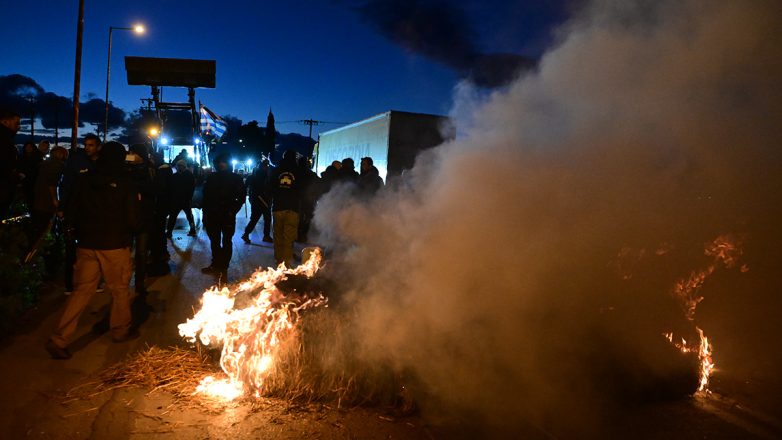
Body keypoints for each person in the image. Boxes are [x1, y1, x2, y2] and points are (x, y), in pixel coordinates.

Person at [45, 141, 141, 359]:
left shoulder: (84, 178)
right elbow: (133, 219)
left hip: (87, 243)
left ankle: (59, 338)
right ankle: (120, 330)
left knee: (81, 291)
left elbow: (71, 209)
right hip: (115, 244)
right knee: (119, 290)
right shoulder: (126, 183)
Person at [59, 133, 101, 294]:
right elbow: (66, 185)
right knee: (72, 248)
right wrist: (62, 207)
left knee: (94, 248)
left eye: (91, 145)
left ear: (98, 147)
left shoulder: (102, 163)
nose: (87, 148)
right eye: (86, 145)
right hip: (76, 210)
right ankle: (70, 284)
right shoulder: (76, 161)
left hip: (94, 212)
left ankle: (94, 281)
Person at [201, 154, 244, 277]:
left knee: (226, 241)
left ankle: (223, 266)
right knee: (214, 241)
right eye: (220, 162)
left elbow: (241, 197)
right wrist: (205, 212)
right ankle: (216, 264)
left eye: (224, 162)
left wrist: (232, 211)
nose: (221, 164)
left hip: (227, 215)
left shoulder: (236, 178)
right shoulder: (211, 177)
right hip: (213, 214)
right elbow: (206, 196)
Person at [127, 143, 155, 293]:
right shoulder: (124, 169)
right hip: (127, 216)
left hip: (143, 216)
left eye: (133, 153)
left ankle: (139, 282)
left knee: (141, 252)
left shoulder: (149, 170)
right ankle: (123, 282)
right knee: (125, 251)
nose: (130, 155)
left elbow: (154, 189)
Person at [268, 150, 301, 267]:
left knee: (278, 236)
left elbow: (269, 187)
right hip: (293, 208)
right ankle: (286, 264)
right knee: (289, 238)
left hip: (278, 207)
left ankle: (279, 261)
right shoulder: (298, 171)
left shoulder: (276, 170)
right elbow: (303, 189)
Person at [30, 146, 68, 241]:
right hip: (48, 201)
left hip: (38, 199)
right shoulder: (58, 165)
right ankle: (46, 244)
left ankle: (36, 243)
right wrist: (55, 199)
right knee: (47, 226)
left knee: (39, 225)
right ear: (60, 154)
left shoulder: (43, 164)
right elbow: (53, 183)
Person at [241, 159, 273, 244]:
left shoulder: (252, 175)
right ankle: (266, 236)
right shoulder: (266, 175)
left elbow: (245, 186)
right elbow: (268, 187)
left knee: (255, 219)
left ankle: (246, 234)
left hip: (255, 199)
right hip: (264, 200)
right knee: (266, 219)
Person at [166, 160, 197, 237]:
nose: (179, 167)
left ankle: (169, 232)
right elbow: (192, 188)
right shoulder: (189, 175)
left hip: (179, 199)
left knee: (173, 216)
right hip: (184, 199)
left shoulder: (175, 176)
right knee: (189, 216)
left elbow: (171, 188)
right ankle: (192, 229)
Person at [0, 109, 21, 218]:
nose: (19, 127)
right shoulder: (3, 139)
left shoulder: (6, 138)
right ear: (5, 122)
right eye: (16, 123)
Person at [297, 156, 320, 243]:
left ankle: (298, 234)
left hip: (298, 199)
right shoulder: (311, 173)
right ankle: (304, 234)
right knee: (308, 217)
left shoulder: (295, 173)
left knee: (298, 217)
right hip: (309, 199)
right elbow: (318, 183)